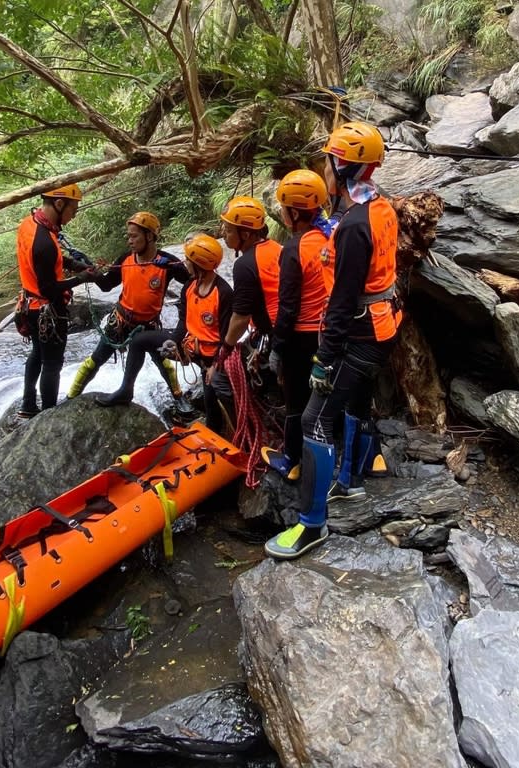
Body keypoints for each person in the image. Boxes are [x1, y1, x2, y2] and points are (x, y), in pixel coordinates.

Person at [264, 121, 403, 560]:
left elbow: (341, 302)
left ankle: (311, 526)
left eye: (328, 161)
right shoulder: (380, 206)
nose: (324, 169)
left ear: (340, 166)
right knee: (355, 403)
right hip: (383, 323)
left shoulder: (354, 227)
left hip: (358, 333)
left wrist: (324, 359)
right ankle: (350, 482)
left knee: (314, 421)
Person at [96, 234, 233, 431]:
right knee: (139, 341)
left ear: (199, 264)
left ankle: (219, 439)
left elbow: (227, 335)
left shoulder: (223, 292)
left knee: (212, 407)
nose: (185, 263)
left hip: (212, 357)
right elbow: (184, 322)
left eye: (189, 260)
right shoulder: (190, 287)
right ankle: (126, 390)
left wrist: (216, 366)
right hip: (190, 346)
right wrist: (174, 342)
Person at [68, 211, 190, 401]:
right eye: (129, 236)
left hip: (148, 326)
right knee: (94, 361)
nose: (129, 241)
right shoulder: (126, 259)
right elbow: (107, 285)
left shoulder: (168, 263)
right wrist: (87, 267)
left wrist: (185, 304)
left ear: (149, 236)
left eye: (134, 236)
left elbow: (193, 283)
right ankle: (71, 397)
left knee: (163, 363)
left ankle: (179, 398)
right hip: (121, 320)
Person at [260, 170, 331, 482]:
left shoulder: (294, 249)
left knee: (295, 399)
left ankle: (291, 460)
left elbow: (287, 307)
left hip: (301, 337)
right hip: (329, 333)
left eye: (284, 208)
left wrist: (277, 346)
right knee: (321, 398)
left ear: (292, 212)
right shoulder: (329, 236)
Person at [207, 196, 283, 427]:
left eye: (228, 230)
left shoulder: (245, 264)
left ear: (246, 234)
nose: (223, 234)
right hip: (287, 332)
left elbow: (240, 317)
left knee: (218, 378)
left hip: (274, 337)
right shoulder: (277, 248)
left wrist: (224, 352)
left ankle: (250, 427)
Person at [16, 184, 88, 418]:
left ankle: (28, 405)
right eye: (73, 208)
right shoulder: (44, 241)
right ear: (59, 204)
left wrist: (70, 263)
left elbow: (45, 261)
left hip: (30, 303)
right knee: (52, 363)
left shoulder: (31, 224)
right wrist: (81, 278)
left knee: (37, 353)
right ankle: (48, 415)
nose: (74, 214)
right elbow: (49, 288)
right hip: (48, 310)